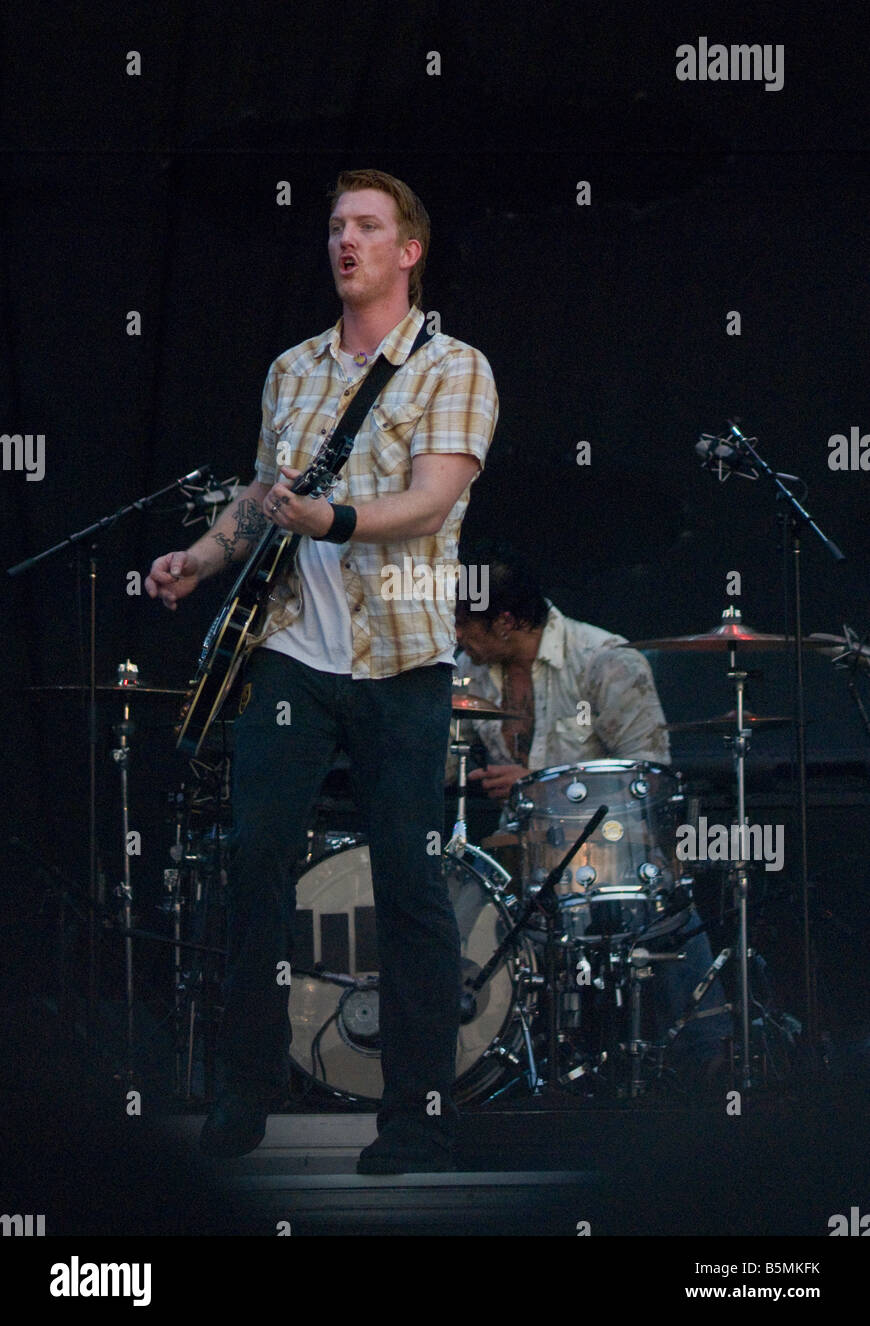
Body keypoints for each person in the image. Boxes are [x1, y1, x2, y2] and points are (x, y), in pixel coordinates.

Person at [146, 170, 498, 1169]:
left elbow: (432, 501)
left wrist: (335, 517)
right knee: (255, 867)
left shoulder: (453, 366)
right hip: (295, 651)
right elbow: (262, 498)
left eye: (368, 227)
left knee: (409, 883)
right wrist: (202, 559)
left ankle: (417, 1113)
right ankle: (240, 1094)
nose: (346, 241)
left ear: (408, 250)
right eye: (337, 226)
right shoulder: (292, 368)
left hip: (402, 660)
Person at [451, 542, 732, 1083]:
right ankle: (473, 1068)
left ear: (506, 621)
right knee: (453, 912)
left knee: (664, 905)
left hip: (607, 845)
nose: (456, 636)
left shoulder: (605, 659)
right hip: (520, 854)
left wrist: (532, 782)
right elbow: (443, 755)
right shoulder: (470, 670)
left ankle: (708, 1053)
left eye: (466, 624)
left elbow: (650, 772)